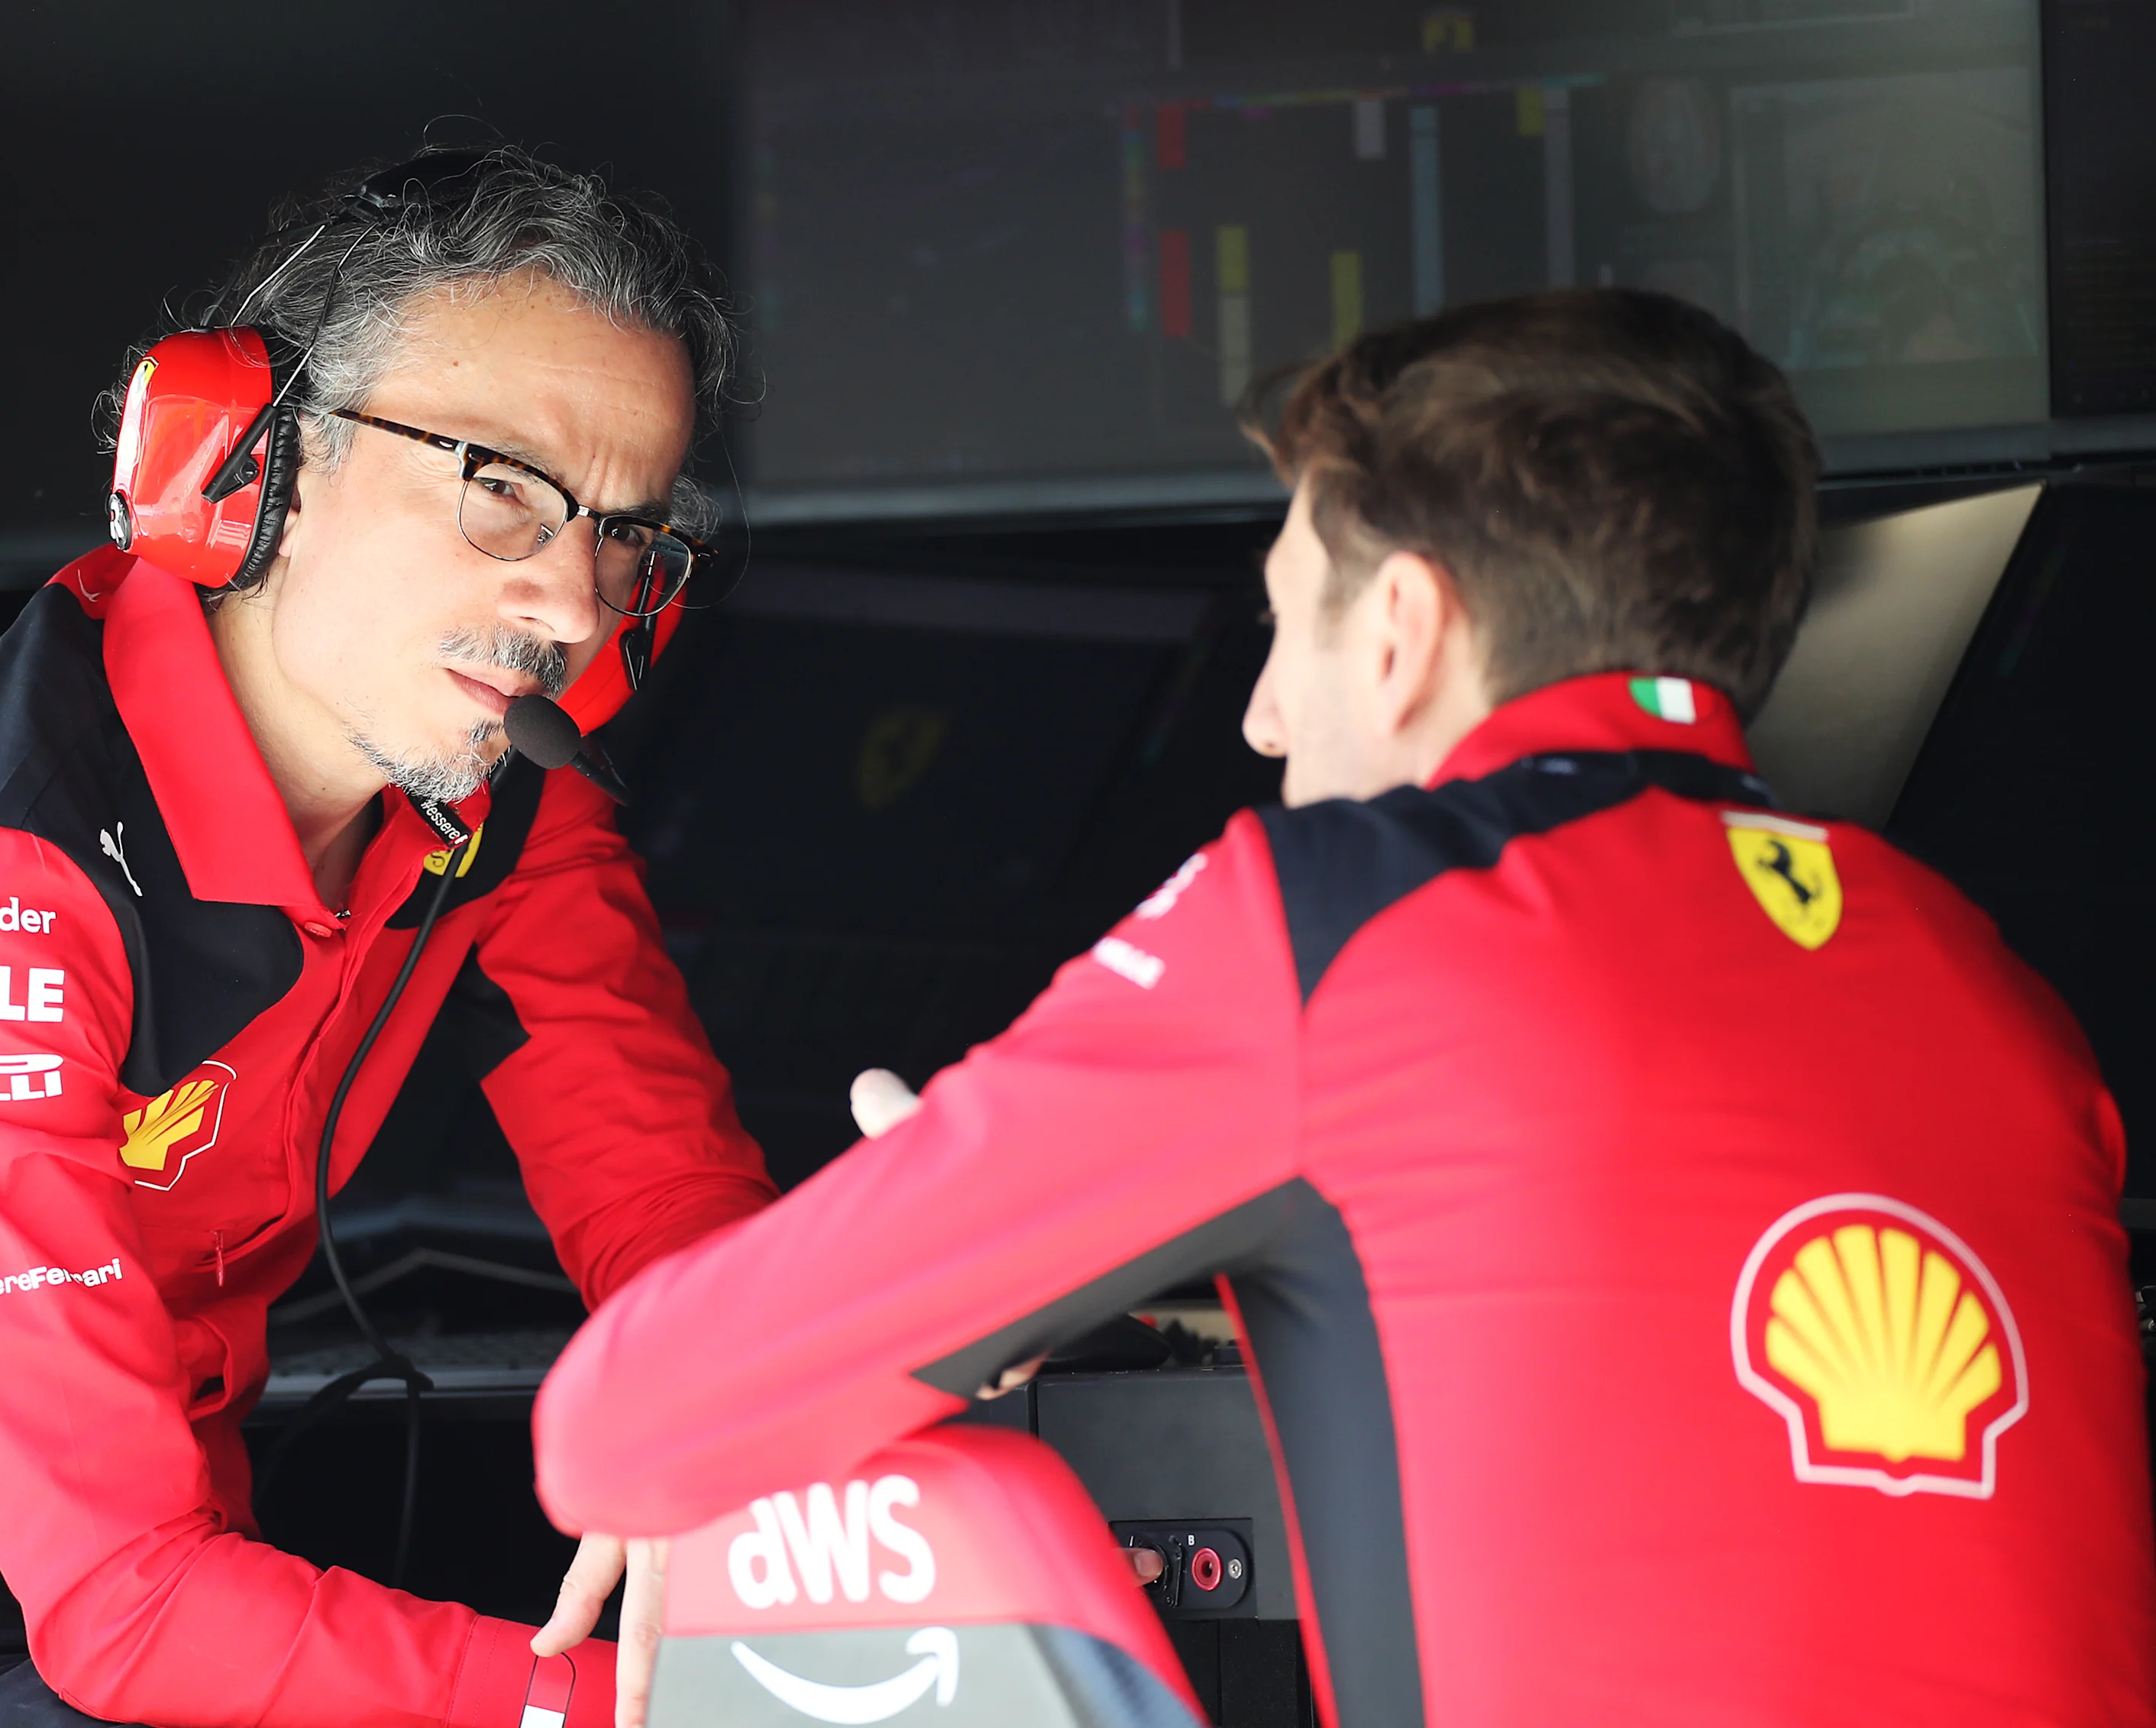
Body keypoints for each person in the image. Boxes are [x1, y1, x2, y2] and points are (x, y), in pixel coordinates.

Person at [530, 290, 2156, 1726]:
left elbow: (628, 1425)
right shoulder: (1988, 986)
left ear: (1399, 632)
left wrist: (936, 1244)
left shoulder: (1339, 922)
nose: (1255, 716)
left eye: (1284, 624)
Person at [0, 144, 776, 1728]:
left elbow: (668, 1210)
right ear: (250, 457)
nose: (572, 604)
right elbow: (127, 1613)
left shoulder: (508, 812)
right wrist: (643, 1711)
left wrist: (759, 1425)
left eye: (625, 533)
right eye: (501, 488)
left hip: (154, 1599)